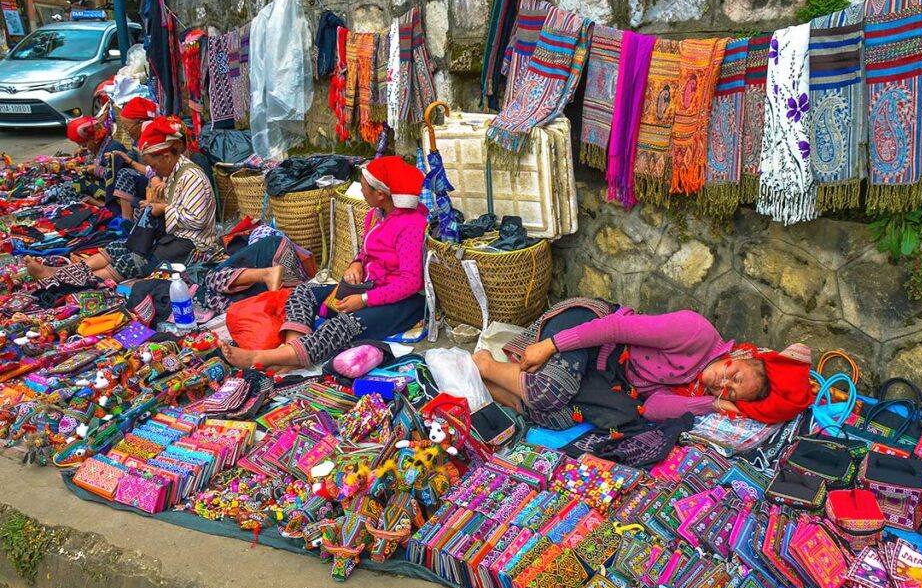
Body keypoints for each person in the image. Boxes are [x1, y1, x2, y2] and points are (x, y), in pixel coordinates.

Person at [472, 298, 813, 430]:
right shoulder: (695, 332)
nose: (724, 384)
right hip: (592, 328)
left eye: (732, 392)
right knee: (551, 392)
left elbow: (652, 407)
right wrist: (551, 345)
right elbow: (616, 327)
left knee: (560, 418)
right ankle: (485, 365)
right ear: (742, 356)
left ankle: (496, 386)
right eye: (734, 375)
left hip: (606, 372)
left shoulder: (695, 386)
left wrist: (713, 403)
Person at [221, 155, 427, 371]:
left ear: (380, 194)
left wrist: (365, 300)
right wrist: (356, 264)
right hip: (366, 288)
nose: (362, 191)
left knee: (342, 326)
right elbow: (365, 252)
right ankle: (289, 355)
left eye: (365, 187)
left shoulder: (411, 224)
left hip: (400, 303)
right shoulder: (376, 215)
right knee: (303, 292)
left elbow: (411, 282)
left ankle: (261, 357)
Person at [26, 116, 217, 284]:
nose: (153, 171)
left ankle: (60, 278)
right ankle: (59, 272)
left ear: (166, 156)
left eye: (153, 165)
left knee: (132, 261)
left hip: (191, 246)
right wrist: (156, 205)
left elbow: (197, 221)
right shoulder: (174, 171)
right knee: (119, 247)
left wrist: (164, 209)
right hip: (172, 239)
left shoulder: (192, 176)